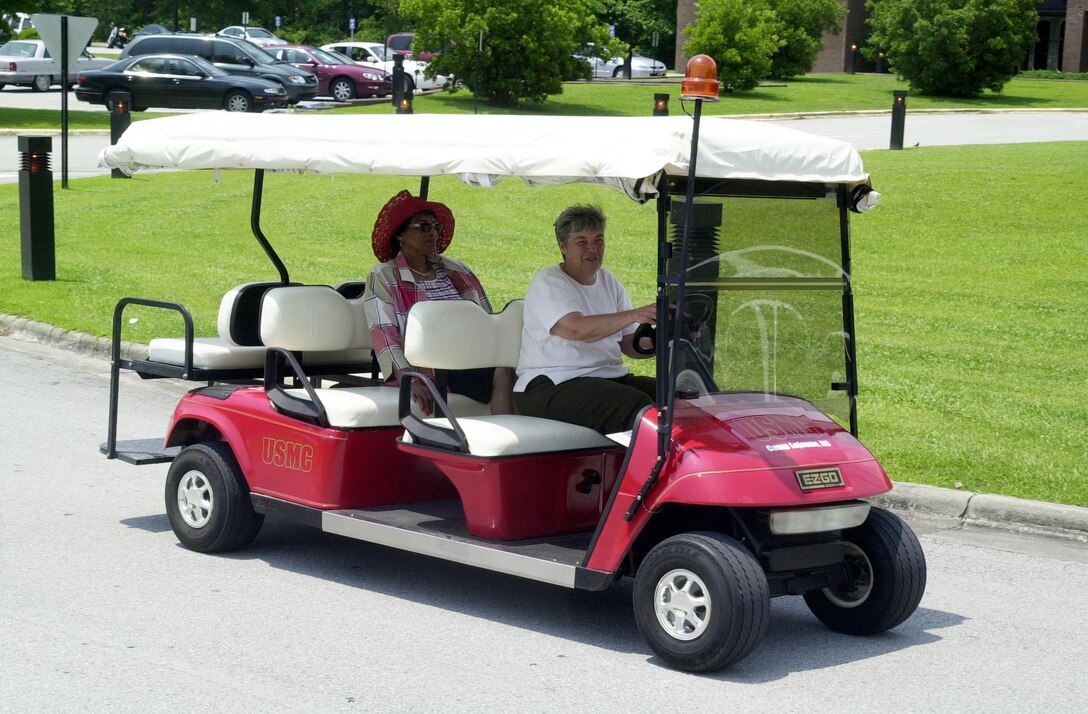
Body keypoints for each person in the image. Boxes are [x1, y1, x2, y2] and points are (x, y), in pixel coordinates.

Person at [363, 190, 514, 415]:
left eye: (435, 227)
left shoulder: (457, 270)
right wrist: (407, 378)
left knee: (523, 367)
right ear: (400, 235)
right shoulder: (384, 275)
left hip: (472, 357)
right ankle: (505, 437)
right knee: (505, 371)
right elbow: (384, 333)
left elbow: (487, 320)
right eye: (423, 227)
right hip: (432, 368)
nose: (432, 232)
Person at [514, 204, 656, 435]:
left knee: (677, 397)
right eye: (582, 242)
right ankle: (648, 469)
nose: (593, 249)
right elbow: (575, 329)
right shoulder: (548, 281)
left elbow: (631, 345)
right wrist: (635, 314)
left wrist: (666, 336)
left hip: (607, 378)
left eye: (598, 240)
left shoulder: (609, 280)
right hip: (551, 385)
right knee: (638, 406)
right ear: (562, 246)